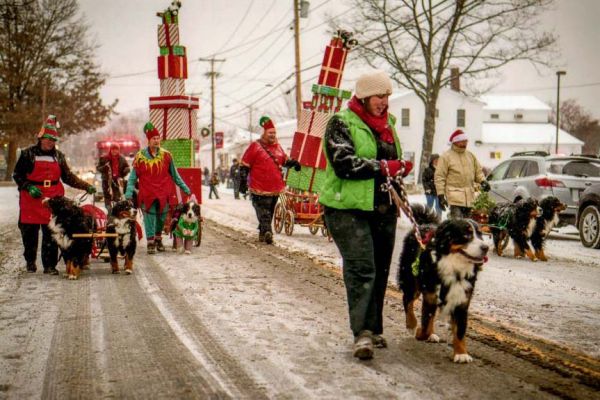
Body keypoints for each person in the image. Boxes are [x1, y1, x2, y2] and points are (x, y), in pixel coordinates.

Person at [319, 70, 411, 360]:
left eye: (387, 96)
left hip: (382, 207)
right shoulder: (340, 123)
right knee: (361, 267)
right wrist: (386, 167)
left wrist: (399, 173)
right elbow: (344, 163)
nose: (384, 102)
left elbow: (390, 165)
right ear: (363, 96)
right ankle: (362, 334)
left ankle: (374, 327)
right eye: (379, 96)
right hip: (346, 208)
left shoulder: (389, 126)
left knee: (381, 268)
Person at [13, 115, 96, 274]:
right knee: (29, 234)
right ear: (40, 137)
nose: (50, 142)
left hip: (53, 199)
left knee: (51, 234)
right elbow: (17, 175)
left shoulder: (59, 157)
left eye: (53, 140)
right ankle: (30, 261)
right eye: (47, 139)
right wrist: (28, 186)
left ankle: (49, 266)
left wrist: (86, 186)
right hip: (31, 199)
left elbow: (68, 177)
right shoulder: (27, 154)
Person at [125, 122, 191, 254]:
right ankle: (150, 242)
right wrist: (128, 193)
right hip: (147, 195)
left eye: (158, 138)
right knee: (150, 219)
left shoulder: (167, 155)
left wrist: (186, 189)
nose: (156, 141)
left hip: (163, 194)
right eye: (154, 138)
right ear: (148, 141)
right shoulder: (140, 157)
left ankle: (158, 238)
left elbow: (175, 175)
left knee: (161, 219)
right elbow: (132, 178)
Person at [240, 115, 300, 244]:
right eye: (270, 133)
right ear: (264, 133)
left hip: (275, 188)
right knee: (263, 211)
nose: (273, 135)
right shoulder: (255, 147)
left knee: (270, 211)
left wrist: (294, 164)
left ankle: (263, 232)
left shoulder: (278, 147)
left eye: (274, 133)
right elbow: (244, 165)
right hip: (258, 187)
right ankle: (268, 231)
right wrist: (243, 181)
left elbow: (284, 160)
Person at [434, 129, 490, 219]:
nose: (465, 143)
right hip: (454, 198)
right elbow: (440, 177)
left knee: (467, 225)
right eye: (463, 141)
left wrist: (483, 181)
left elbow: (478, 172)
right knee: (458, 224)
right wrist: (440, 195)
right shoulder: (446, 157)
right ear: (456, 141)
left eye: (466, 141)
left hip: (469, 198)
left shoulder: (470, 156)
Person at [96, 143, 130, 212]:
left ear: (118, 150)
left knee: (117, 198)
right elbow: (98, 168)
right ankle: (109, 212)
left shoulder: (122, 159)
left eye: (116, 149)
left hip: (117, 182)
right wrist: (104, 167)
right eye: (113, 149)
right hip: (107, 181)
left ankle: (116, 213)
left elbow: (127, 167)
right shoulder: (104, 158)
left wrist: (126, 170)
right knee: (107, 198)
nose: (114, 151)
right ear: (110, 150)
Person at [421, 153, 441, 219]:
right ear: (432, 161)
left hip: (438, 191)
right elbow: (424, 180)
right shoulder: (427, 170)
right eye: (436, 160)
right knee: (429, 206)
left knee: (438, 206)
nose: (437, 162)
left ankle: (438, 219)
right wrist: (427, 188)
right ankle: (427, 218)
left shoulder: (441, 170)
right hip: (430, 191)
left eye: (438, 160)